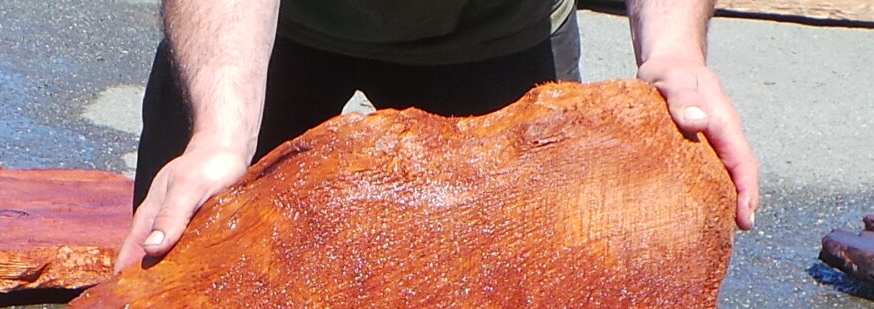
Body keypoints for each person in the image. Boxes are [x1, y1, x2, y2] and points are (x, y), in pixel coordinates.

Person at [117, 0, 760, 275]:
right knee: (177, 282)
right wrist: (221, 137)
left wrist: (676, 50)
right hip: (271, 29)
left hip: (496, 31)